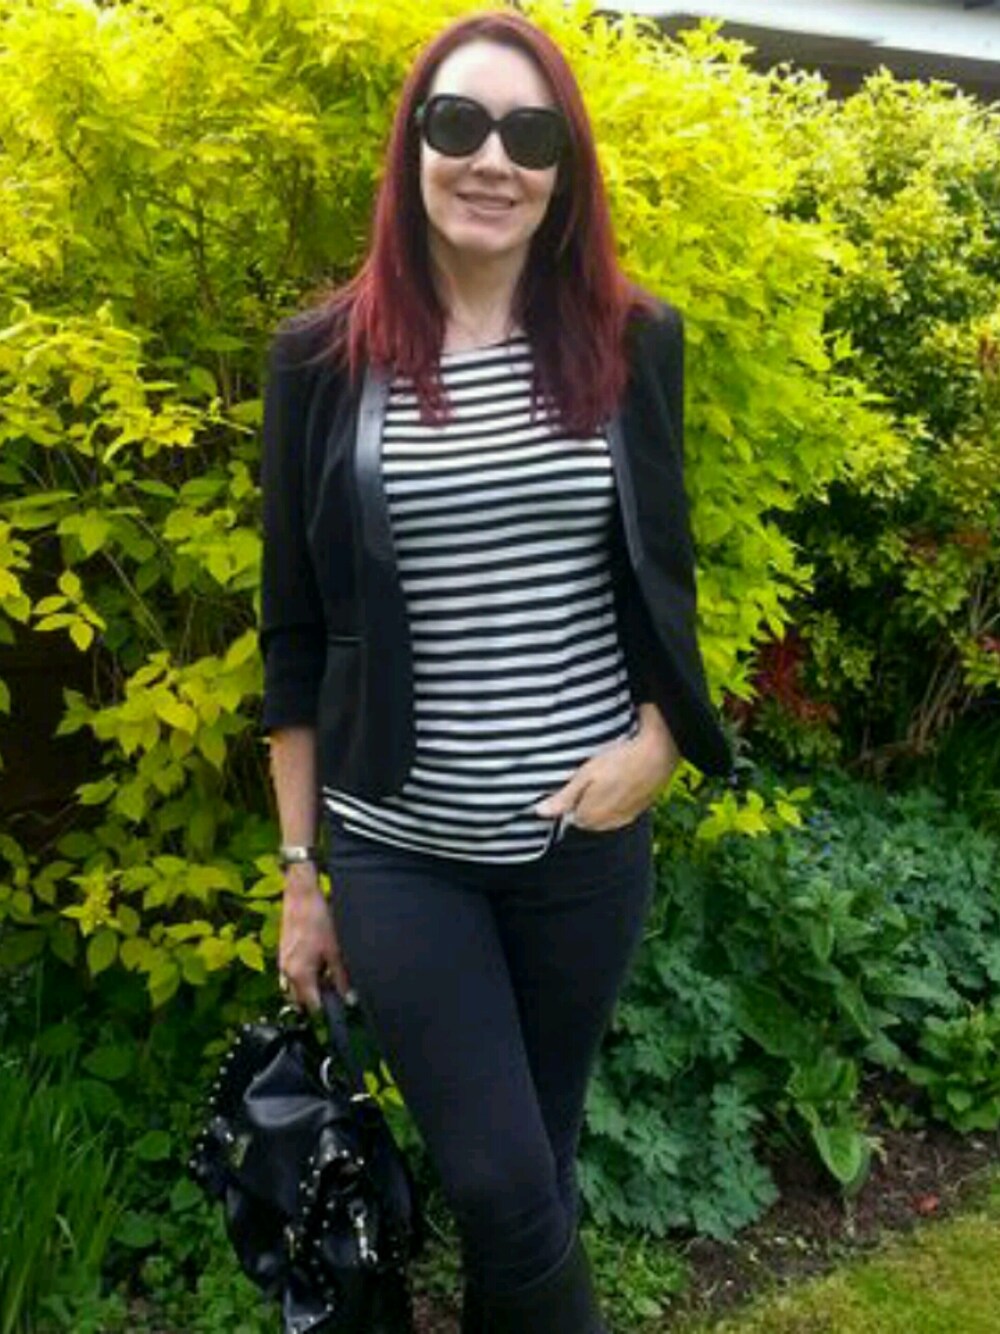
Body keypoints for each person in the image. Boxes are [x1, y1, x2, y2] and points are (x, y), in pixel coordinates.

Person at [259, 9, 733, 1332]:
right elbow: (293, 633)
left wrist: (659, 744)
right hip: (403, 850)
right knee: (499, 1181)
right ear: (413, 147)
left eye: (530, 135)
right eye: (459, 123)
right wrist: (301, 877)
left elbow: (664, 578)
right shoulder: (322, 363)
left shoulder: (632, 341)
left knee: (534, 1178)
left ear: (563, 171)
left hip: (583, 851)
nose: (492, 161)